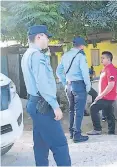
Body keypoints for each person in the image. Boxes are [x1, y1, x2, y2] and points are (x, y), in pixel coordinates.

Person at [21, 25, 71, 166]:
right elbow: (43, 83)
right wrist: (55, 106)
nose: (48, 39)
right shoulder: (37, 56)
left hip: (34, 103)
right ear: (38, 37)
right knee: (59, 144)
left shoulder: (27, 54)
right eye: (46, 36)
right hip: (43, 104)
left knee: (41, 143)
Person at [56, 36, 90, 143]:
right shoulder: (80, 56)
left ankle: (71, 132)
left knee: (71, 110)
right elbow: (85, 72)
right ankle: (77, 134)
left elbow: (58, 71)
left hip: (69, 86)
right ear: (81, 45)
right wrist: (88, 86)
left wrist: (64, 81)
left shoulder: (65, 55)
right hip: (79, 85)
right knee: (79, 111)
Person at [87, 51, 117, 135]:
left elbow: (111, 85)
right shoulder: (105, 69)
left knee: (93, 108)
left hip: (108, 97)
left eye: (103, 58)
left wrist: (100, 95)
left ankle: (97, 129)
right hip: (105, 96)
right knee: (109, 113)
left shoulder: (111, 69)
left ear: (108, 59)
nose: (101, 60)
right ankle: (111, 132)